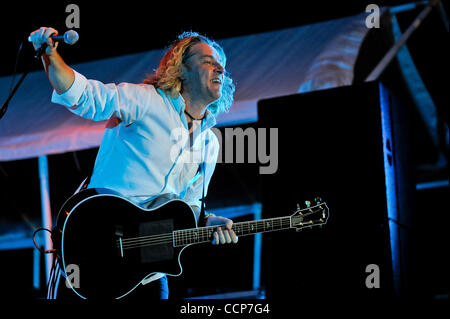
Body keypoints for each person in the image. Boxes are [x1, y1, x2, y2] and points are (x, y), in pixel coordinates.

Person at [28, 27, 238, 300]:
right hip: (95, 246)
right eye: (208, 62)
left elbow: (191, 206)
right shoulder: (145, 100)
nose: (219, 69)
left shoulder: (210, 144)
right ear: (181, 69)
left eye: (221, 65)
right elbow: (84, 96)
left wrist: (209, 221)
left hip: (150, 270)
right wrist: (50, 56)